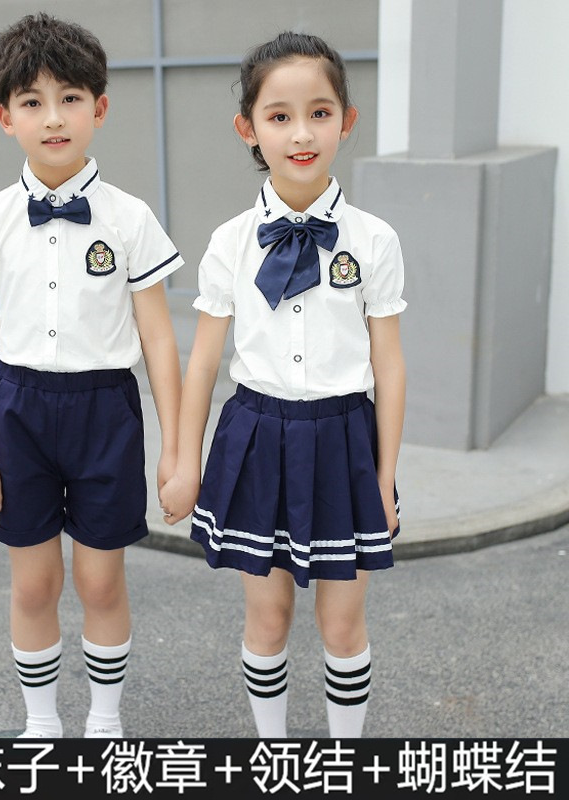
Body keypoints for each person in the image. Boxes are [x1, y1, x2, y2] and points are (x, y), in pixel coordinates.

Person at [0, 12, 183, 739]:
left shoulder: (130, 218)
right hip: (17, 411)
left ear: (100, 109)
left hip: (105, 409)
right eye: (33, 102)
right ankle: (41, 720)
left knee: (102, 578)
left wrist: (176, 451)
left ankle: (104, 718)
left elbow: (159, 339)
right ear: (5, 116)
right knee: (35, 580)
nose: (54, 118)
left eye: (71, 98)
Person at [159, 31, 406, 739]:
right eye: (279, 116)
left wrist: (386, 474)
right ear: (249, 128)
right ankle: (274, 754)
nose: (302, 133)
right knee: (266, 618)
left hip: (344, 439)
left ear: (347, 121)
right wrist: (182, 460)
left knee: (342, 619)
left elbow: (388, 364)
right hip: (257, 436)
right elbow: (202, 363)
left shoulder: (374, 240)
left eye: (320, 113)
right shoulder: (231, 240)